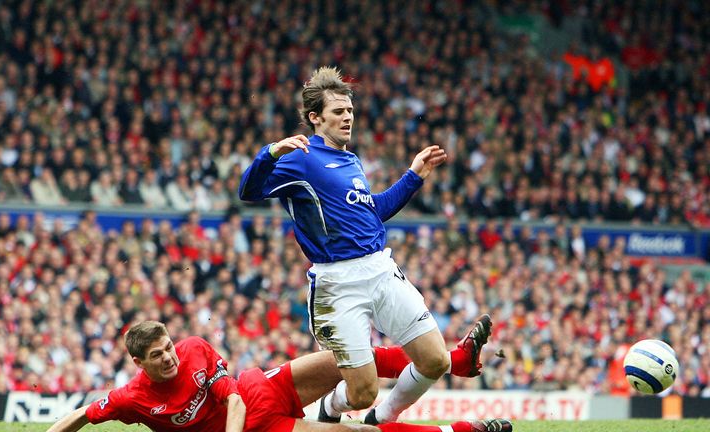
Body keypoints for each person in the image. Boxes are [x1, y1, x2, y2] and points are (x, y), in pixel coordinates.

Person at [238, 67, 489, 424]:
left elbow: (373, 213)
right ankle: (330, 407)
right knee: (361, 392)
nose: (347, 118)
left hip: (381, 269)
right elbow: (247, 191)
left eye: (350, 111)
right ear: (315, 117)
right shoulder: (301, 156)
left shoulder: (351, 160)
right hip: (338, 284)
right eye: (338, 111)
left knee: (434, 360)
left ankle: (381, 419)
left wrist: (413, 177)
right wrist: (271, 152)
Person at [47, 320, 512, 432]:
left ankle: (458, 360)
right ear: (140, 363)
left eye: (168, 348)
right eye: (157, 355)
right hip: (262, 428)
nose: (169, 358)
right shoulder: (132, 399)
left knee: (347, 359)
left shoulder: (194, 349)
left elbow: (231, 398)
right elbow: (83, 415)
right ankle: (462, 430)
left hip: (258, 388)